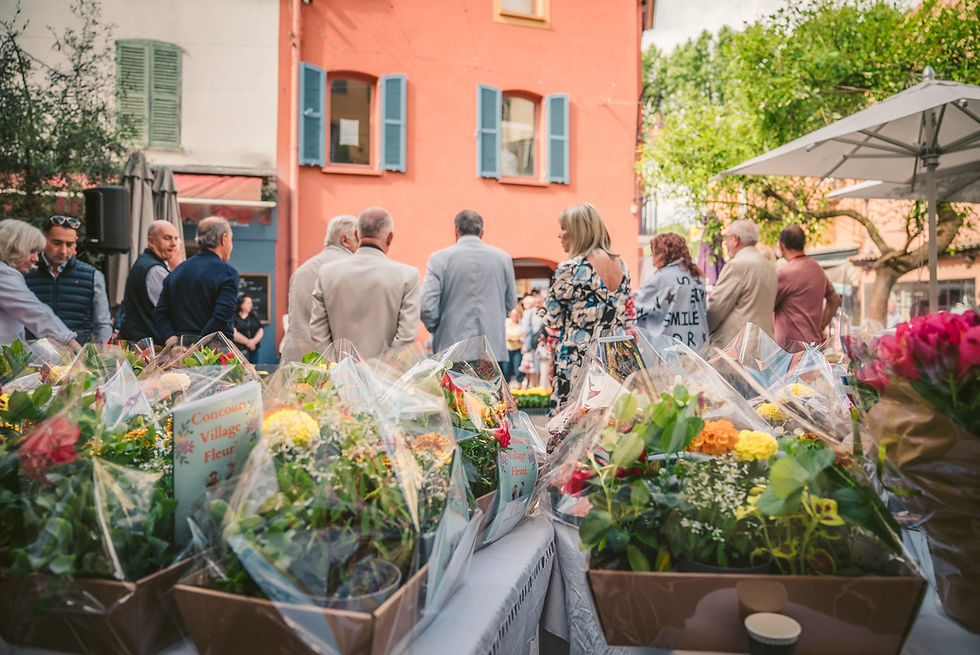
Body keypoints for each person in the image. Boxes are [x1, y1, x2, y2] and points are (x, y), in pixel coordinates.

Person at [540, 203, 634, 413]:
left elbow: (551, 320)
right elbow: (627, 315)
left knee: (572, 423)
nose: (559, 235)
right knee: (610, 423)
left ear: (577, 231)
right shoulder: (623, 266)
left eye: (563, 228)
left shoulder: (570, 268)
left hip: (578, 359)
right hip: (614, 359)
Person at [309, 207, 421, 358]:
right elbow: (406, 338)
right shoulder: (408, 276)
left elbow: (317, 331)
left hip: (339, 370)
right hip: (385, 372)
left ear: (356, 234)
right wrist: (383, 369)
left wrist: (335, 366)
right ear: (390, 237)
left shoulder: (327, 273)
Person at [420, 210, 517, 364]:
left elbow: (426, 307)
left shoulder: (439, 259)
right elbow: (511, 303)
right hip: (490, 351)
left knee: (453, 382)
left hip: (451, 348)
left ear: (456, 231)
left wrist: (438, 329)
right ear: (482, 232)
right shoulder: (503, 259)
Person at [279, 214, 358, 362]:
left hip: (296, 360)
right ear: (345, 240)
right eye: (358, 239)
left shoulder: (301, 271)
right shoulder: (353, 269)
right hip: (332, 364)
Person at [23, 215, 111, 344]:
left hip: (77, 352)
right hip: (32, 352)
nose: (63, 251)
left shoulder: (93, 276)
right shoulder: (25, 272)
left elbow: (102, 325)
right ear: (42, 240)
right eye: (57, 243)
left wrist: (103, 354)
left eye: (69, 244)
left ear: (76, 244)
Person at [154, 216, 239, 345]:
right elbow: (221, 317)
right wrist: (197, 346)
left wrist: (171, 340)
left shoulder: (176, 272)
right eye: (231, 239)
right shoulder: (227, 273)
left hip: (180, 351)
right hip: (214, 352)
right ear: (223, 239)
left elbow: (160, 313)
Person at [0, 219, 80, 348]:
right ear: (12, 248)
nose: (36, 258)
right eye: (31, 251)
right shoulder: (3, 274)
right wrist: (69, 341)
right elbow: (34, 311)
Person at [707, 220, 777, 348]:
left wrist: (704, 332)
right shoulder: (768, 266)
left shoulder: (736, 265)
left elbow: (716, 309)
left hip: (737, 347)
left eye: (726, 238)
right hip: (765, 344)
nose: (725, 243)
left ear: (735, 239)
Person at [635, 232, 708, 352]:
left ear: (662, 253)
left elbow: (635, 308)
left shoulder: (661, 278)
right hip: (697, 349)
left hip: (669, 351)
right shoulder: (697, 276)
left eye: (653, 252)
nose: (652, 257)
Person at [773, 225, 842, 348]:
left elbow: (767, 307)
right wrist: (821, 326)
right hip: (813, 346)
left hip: (789, 350)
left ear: (782, 246)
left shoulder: (783, 274)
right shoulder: (817, 269)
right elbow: (835, 300)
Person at [117, 220, 180, 342]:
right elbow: (175, 310)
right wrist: (178, 268)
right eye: (167, 238)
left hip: (137, 340)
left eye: (175, 239)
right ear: (151, 241)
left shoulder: (144, 262)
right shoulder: (155, 270)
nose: (173, 244)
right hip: (149, 345)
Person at [233, 295, 264, 363]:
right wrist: (248, 342)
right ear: (241, 304)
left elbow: (260, 329)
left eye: (251, 303)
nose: (251, 305)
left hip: (253, 350)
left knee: (253, 368)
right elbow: (234, 333)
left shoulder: (254, 317)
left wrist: (253, 342)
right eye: (248, 303)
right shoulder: (234, 317)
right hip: (239, 351)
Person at [504, 308, 525, 384]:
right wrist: (508, 338)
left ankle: (519, 383)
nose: (514, 317)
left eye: (516, 315)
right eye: (513, 315)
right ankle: (507, 384)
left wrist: (517, 339)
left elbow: (524, 336)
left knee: (518, 367)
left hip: (517, 349)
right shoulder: (506, 323)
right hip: (507, 349)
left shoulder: (522, 324)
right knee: (506, 368)